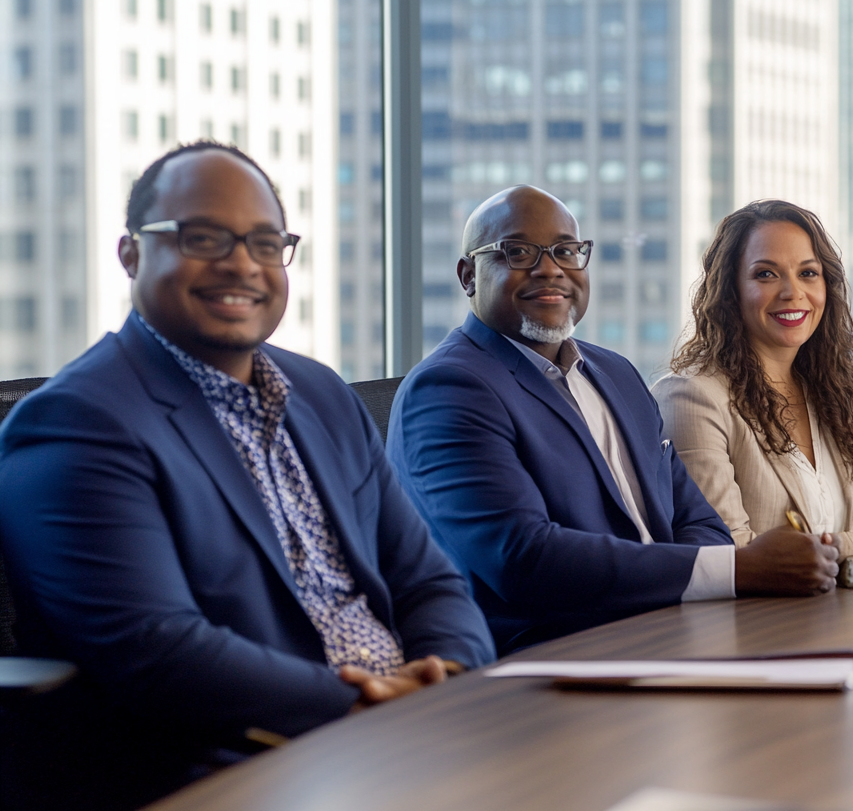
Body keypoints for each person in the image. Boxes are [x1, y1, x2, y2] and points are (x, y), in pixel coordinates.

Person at [0, 142, 494, 811]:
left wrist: (450, 675)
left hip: (407, 737)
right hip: (240, 763)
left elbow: (428, 578)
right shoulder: (76, 422)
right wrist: (367, 703)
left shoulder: (320, 392)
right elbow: (160, 654)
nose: (241, 263)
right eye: (204, 238)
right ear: (131, 254)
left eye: (266, 242)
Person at [387, 186, 840, 655]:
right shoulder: (448, 389)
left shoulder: (616, 374)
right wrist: (736, 570)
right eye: (517, 252)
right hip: (549, 663)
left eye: (566, 251)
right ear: (468, 276)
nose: (550, 269)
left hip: (670, 635)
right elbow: (525, 561)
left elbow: (697, 520)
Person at [653, 200, 853, 565]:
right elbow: (728, 557)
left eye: (808, 273)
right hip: (759, 622)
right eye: (766, 274)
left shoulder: (851, 399)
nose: (793, 292)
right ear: (730, 290)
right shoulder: (692, 398)